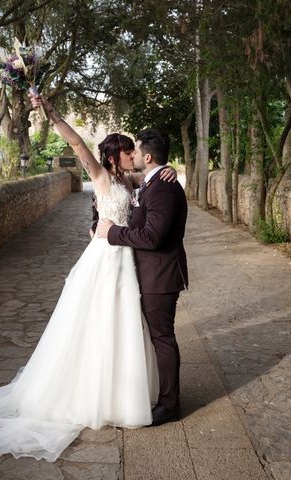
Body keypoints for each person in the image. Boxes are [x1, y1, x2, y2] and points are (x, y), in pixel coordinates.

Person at [0, 94, 176, 462]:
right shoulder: (100, 176)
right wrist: (49, 111)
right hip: (103, 259)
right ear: (114, 154)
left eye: (136, 151)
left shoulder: (131, 180)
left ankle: (121, 391)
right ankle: (91, 393)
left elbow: (153, 176)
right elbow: (76, 143)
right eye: (128, 150)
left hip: (126, 259)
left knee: (125, 324)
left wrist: (171, 170)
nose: (133, 154)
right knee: (95, 322)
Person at [97, 128, 188, 426]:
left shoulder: (162, 187)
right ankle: (159, 395)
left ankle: (169, 405)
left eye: (135, 150)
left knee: (162, 338)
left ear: (148, 157)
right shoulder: (152, 181)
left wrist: (112, 233)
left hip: (160, 275)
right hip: (149, 273)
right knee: (157, 337)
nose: (133, 154)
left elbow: (152, 237)